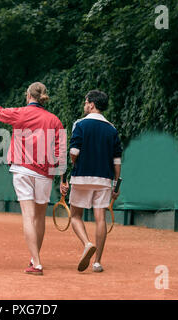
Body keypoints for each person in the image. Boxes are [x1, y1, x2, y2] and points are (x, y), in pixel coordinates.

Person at [0, 82, 66, 276]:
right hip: (45, 172)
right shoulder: (54, 120)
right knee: (40, 216)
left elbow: (1, 112)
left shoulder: (21, 113)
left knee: (28, 215)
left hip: (22, 169)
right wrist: (63, 178)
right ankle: (35, 259)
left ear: (28, 96)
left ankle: (37, 262)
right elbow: (60, 151)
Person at [60, 90, 122, 273]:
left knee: (76, 216)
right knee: (100, 218)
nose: (84, 105)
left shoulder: (79, 124)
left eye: (86, 102)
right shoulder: (112, 129)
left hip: (81, 177)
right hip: (104, 179)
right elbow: (117, 161)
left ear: (92, 104)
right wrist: (116, 186)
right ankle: (97, 262)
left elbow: (74, 153)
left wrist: (74, 165)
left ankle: (87, 243)